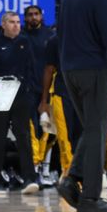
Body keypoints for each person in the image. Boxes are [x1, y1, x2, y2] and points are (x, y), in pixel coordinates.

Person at [57, 0, 107, 212]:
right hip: (93, 69)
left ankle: (71, 181)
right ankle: (90, 198)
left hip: (70, 71)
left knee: (91, 128)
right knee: (98, 129)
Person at [0, 12, 39, 195]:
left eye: (18, 22)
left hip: (21, 95)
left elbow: (32, 68)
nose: (16, 25)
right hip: (0, 94)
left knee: (23, 136)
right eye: (12, 22)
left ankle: (29, 179)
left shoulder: (25, 42)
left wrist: (30, 91)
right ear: (3, 24)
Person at [38, 33, 81, 179]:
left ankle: (87, 173)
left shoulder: (92, 36)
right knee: (65, 137)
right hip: (63, 94)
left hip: (88, 94)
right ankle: (70, 175)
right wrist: (44, 101)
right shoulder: (56, 40)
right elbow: (49, 70)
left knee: (85, 136)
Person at [22, 5, 56, 186]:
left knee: (49, 131)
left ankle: (46, 169)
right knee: (32, 129)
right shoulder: (21, 37)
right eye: (30, 15)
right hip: (27, 90)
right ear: (25, 18)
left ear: (42, 16)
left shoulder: (50, 36)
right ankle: (34, 169)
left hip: (47, 90)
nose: (33, 17)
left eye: (36, 14)